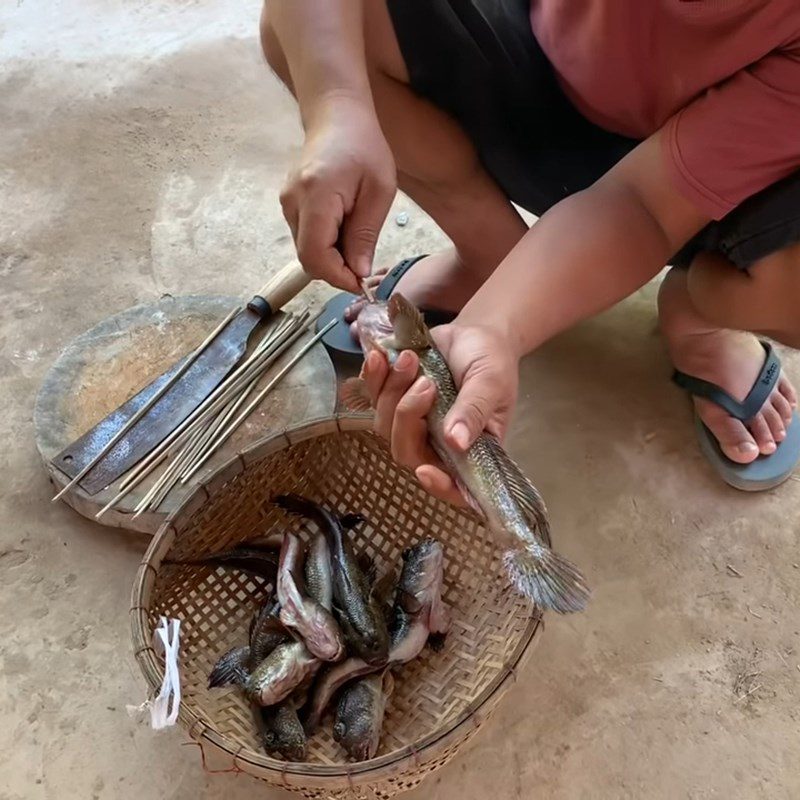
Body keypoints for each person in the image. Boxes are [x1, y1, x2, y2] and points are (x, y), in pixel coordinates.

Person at [260, 0, 800, 499]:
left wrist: (498, 327)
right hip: (545, 66)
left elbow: (644, 206)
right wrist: (337, 103)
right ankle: (491, 257)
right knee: (317, 36)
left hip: (728, 181)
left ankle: (702, 316)